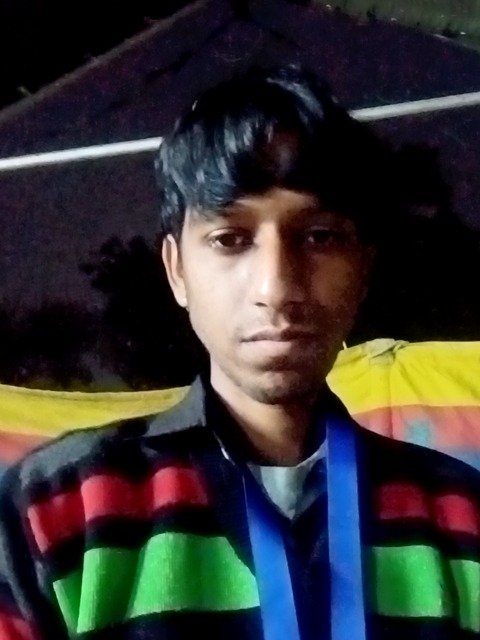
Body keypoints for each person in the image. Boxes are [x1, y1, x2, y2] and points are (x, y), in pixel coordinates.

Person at [0, 65, 479, 640]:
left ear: (364, 270)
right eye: (231, 239)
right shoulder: (57, 508)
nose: (276, 288)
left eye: (320, 237)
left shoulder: (463, 516)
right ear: (177, 271)